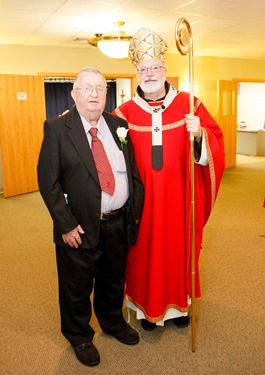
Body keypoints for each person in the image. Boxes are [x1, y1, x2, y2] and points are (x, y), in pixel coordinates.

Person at [113, 28, 225, 331]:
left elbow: (216, 141)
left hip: (180, 200)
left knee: (179, 252)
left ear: (165, 70)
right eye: (143, 69)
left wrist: (200, 133)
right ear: (136, 73)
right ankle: (145, 307)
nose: (150, 73)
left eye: (156, 68)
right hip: (142, 204)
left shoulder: (190, 104)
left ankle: (180, 306)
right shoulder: (122, 113)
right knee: (143, 255)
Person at [37, 67, 144, 366]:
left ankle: (112, 322)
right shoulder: (57, 128)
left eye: (100, 89)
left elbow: (131, 171)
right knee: (76, 286)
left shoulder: (119, 125)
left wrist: (133, 212)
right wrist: (66, 225)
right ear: (74, 94)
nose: (94, 95)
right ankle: (79, 335)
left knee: (113, 279)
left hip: (117, 223)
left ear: (106, 94)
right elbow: (48, 181)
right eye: (87, 88)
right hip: (79, 227)